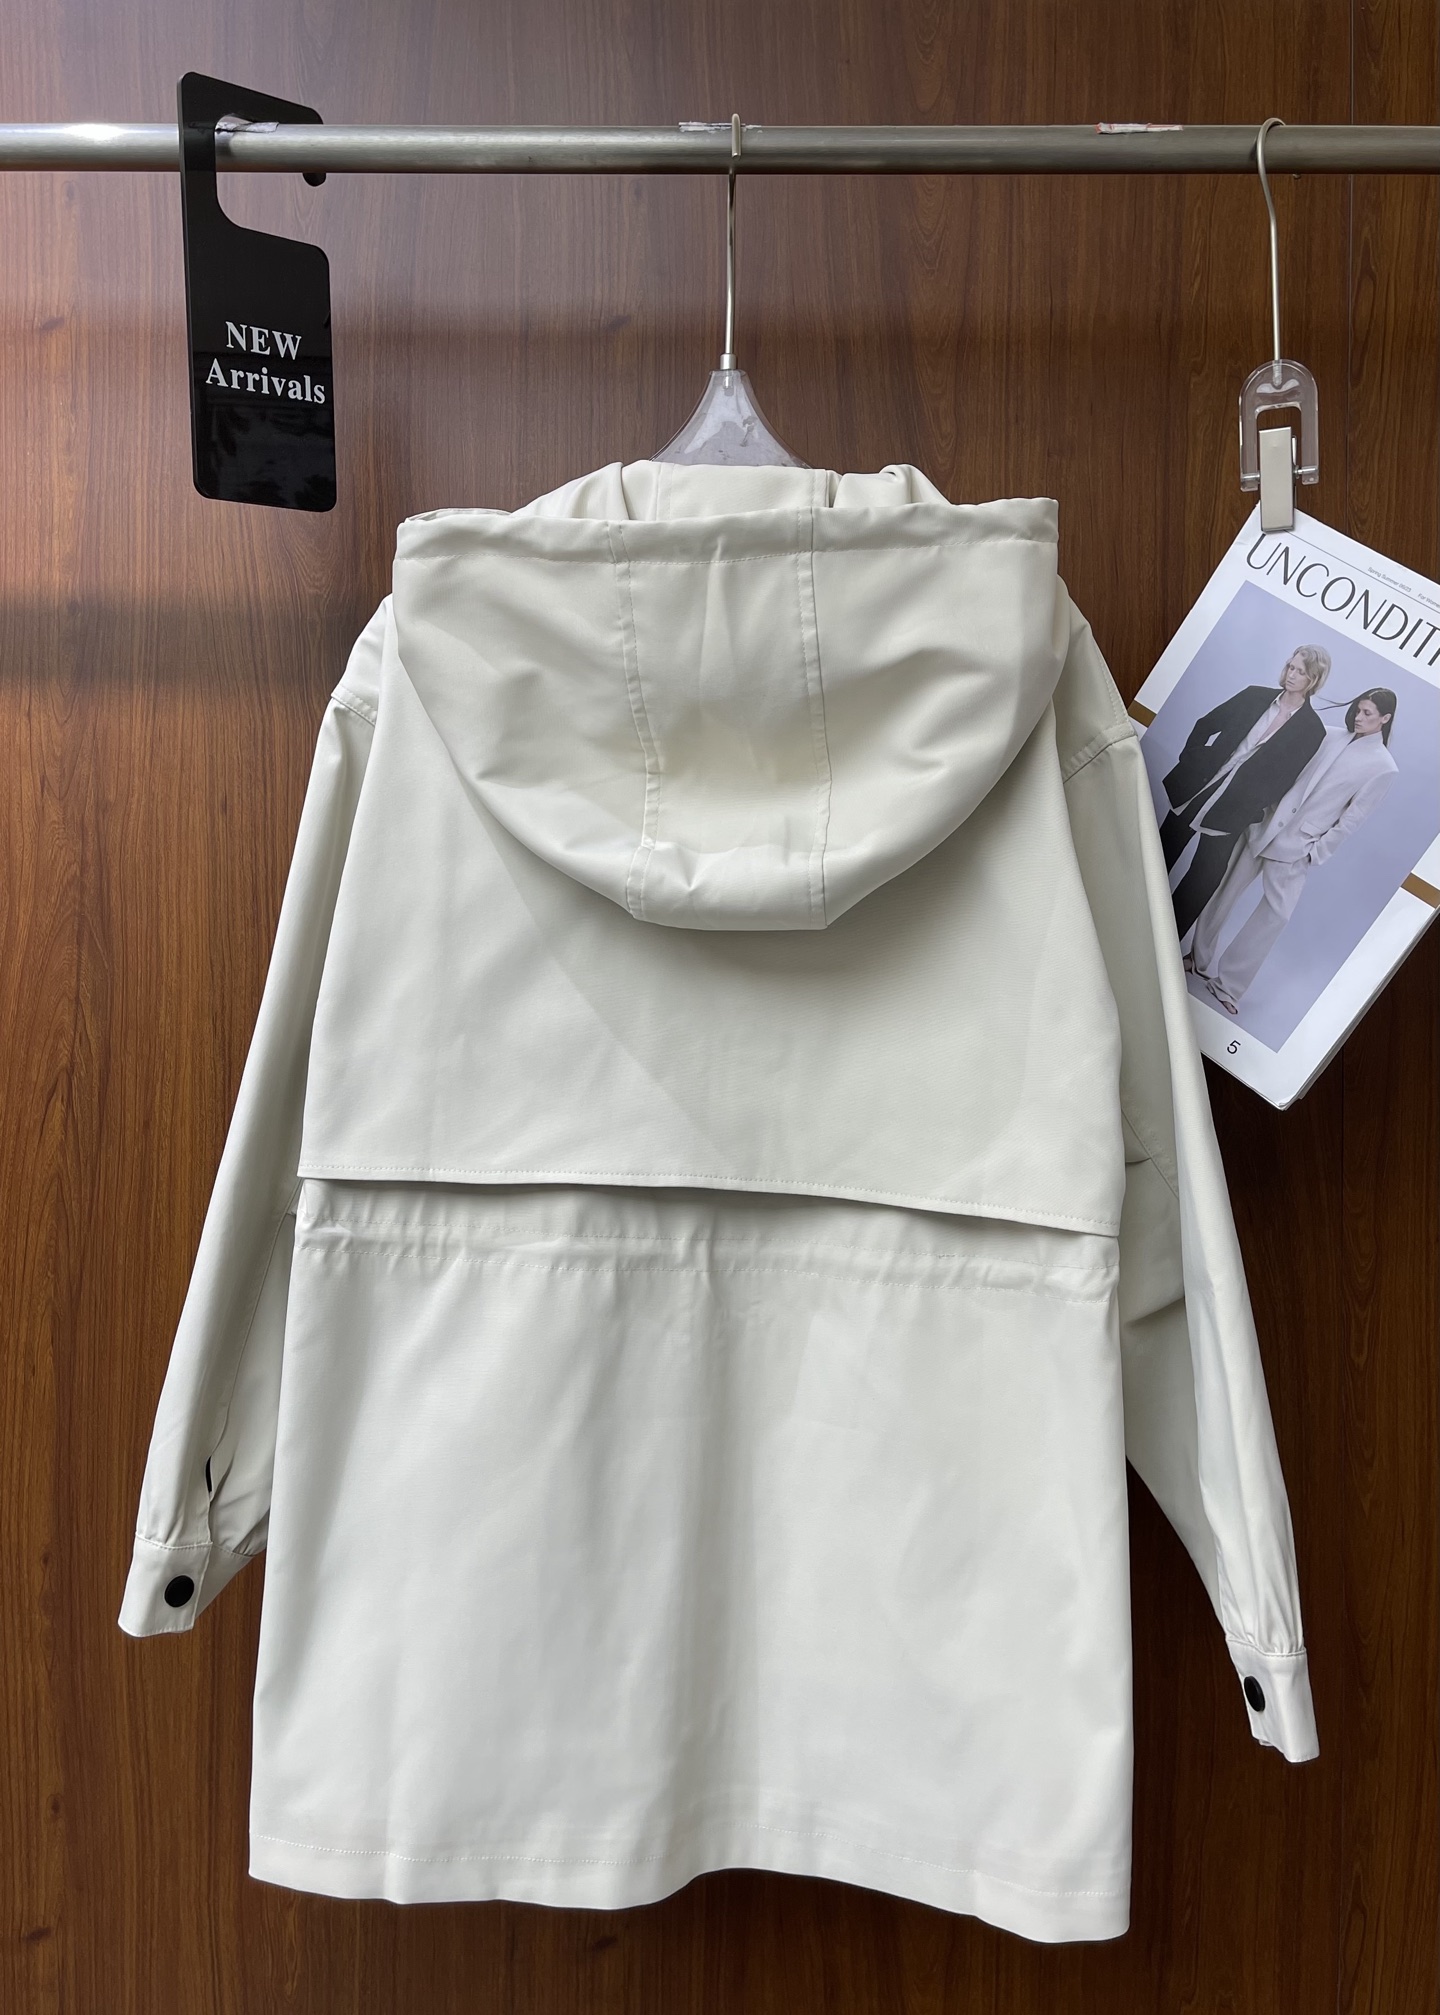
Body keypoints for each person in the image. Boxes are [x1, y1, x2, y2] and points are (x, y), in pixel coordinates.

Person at [1191, 687, 1399, 1014]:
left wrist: (1316, 852)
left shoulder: (1384, 767)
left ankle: (1229, 986)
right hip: (1265, 825)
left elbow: (1352, 819)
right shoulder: (1329, 735)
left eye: (1367, 713)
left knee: (1276, 915)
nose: (1359, 717)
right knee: (1224, 890)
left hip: (1299, 845)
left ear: (1385, 719)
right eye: (1358, 710)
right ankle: (1197, 959)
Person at [1164, 645, 1330, 941]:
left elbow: (1284, 779)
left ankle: (1163, 939)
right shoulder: (1254, 695)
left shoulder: (1312, 730)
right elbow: (1206, 725)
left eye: (1301, 672)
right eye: (1291, 667)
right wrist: (1191, 761)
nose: (1292, 675)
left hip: (1233, 810)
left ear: (1314, 679)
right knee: (1159, 853)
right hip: (1198, 789)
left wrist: (1252, 807)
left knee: (1203, 880)